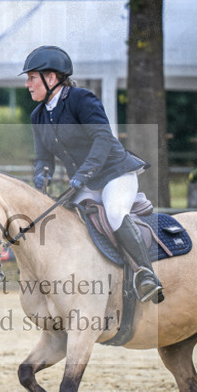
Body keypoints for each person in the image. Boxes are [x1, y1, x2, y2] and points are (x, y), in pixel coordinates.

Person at [21, 45, 164, 303]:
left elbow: (102, 139)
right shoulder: (38, 115)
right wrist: (42, 174)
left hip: (114, 175)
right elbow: (44, 156)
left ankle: (146, 275)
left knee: (114, 213)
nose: (27, 84)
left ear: (50, 78)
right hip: (84, 183)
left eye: (32, 78)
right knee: (61, 223)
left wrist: (84, 173)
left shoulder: (82, 99)